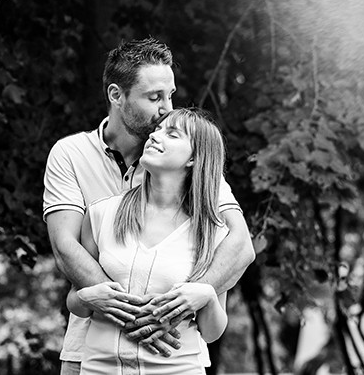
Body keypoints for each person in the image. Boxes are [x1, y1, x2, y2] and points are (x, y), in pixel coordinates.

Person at [43, 38, 254, 375]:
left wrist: (183, 304)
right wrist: (132, 315)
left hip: (172, 353)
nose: (167, 108)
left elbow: (240, 244)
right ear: (116, 95)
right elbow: (65, 247)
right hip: (90, 350)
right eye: (155, 97)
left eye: (170, 95)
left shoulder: (183, 159)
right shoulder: (71, 155)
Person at [67, 108, 235, 374]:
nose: (155, 137)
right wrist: (87, 298)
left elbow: (212, 333)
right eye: (157, 130)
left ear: (194, 159)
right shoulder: (101, 214)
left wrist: (208, 296)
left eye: (172, 134)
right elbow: (75, 302)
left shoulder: (211, 231)